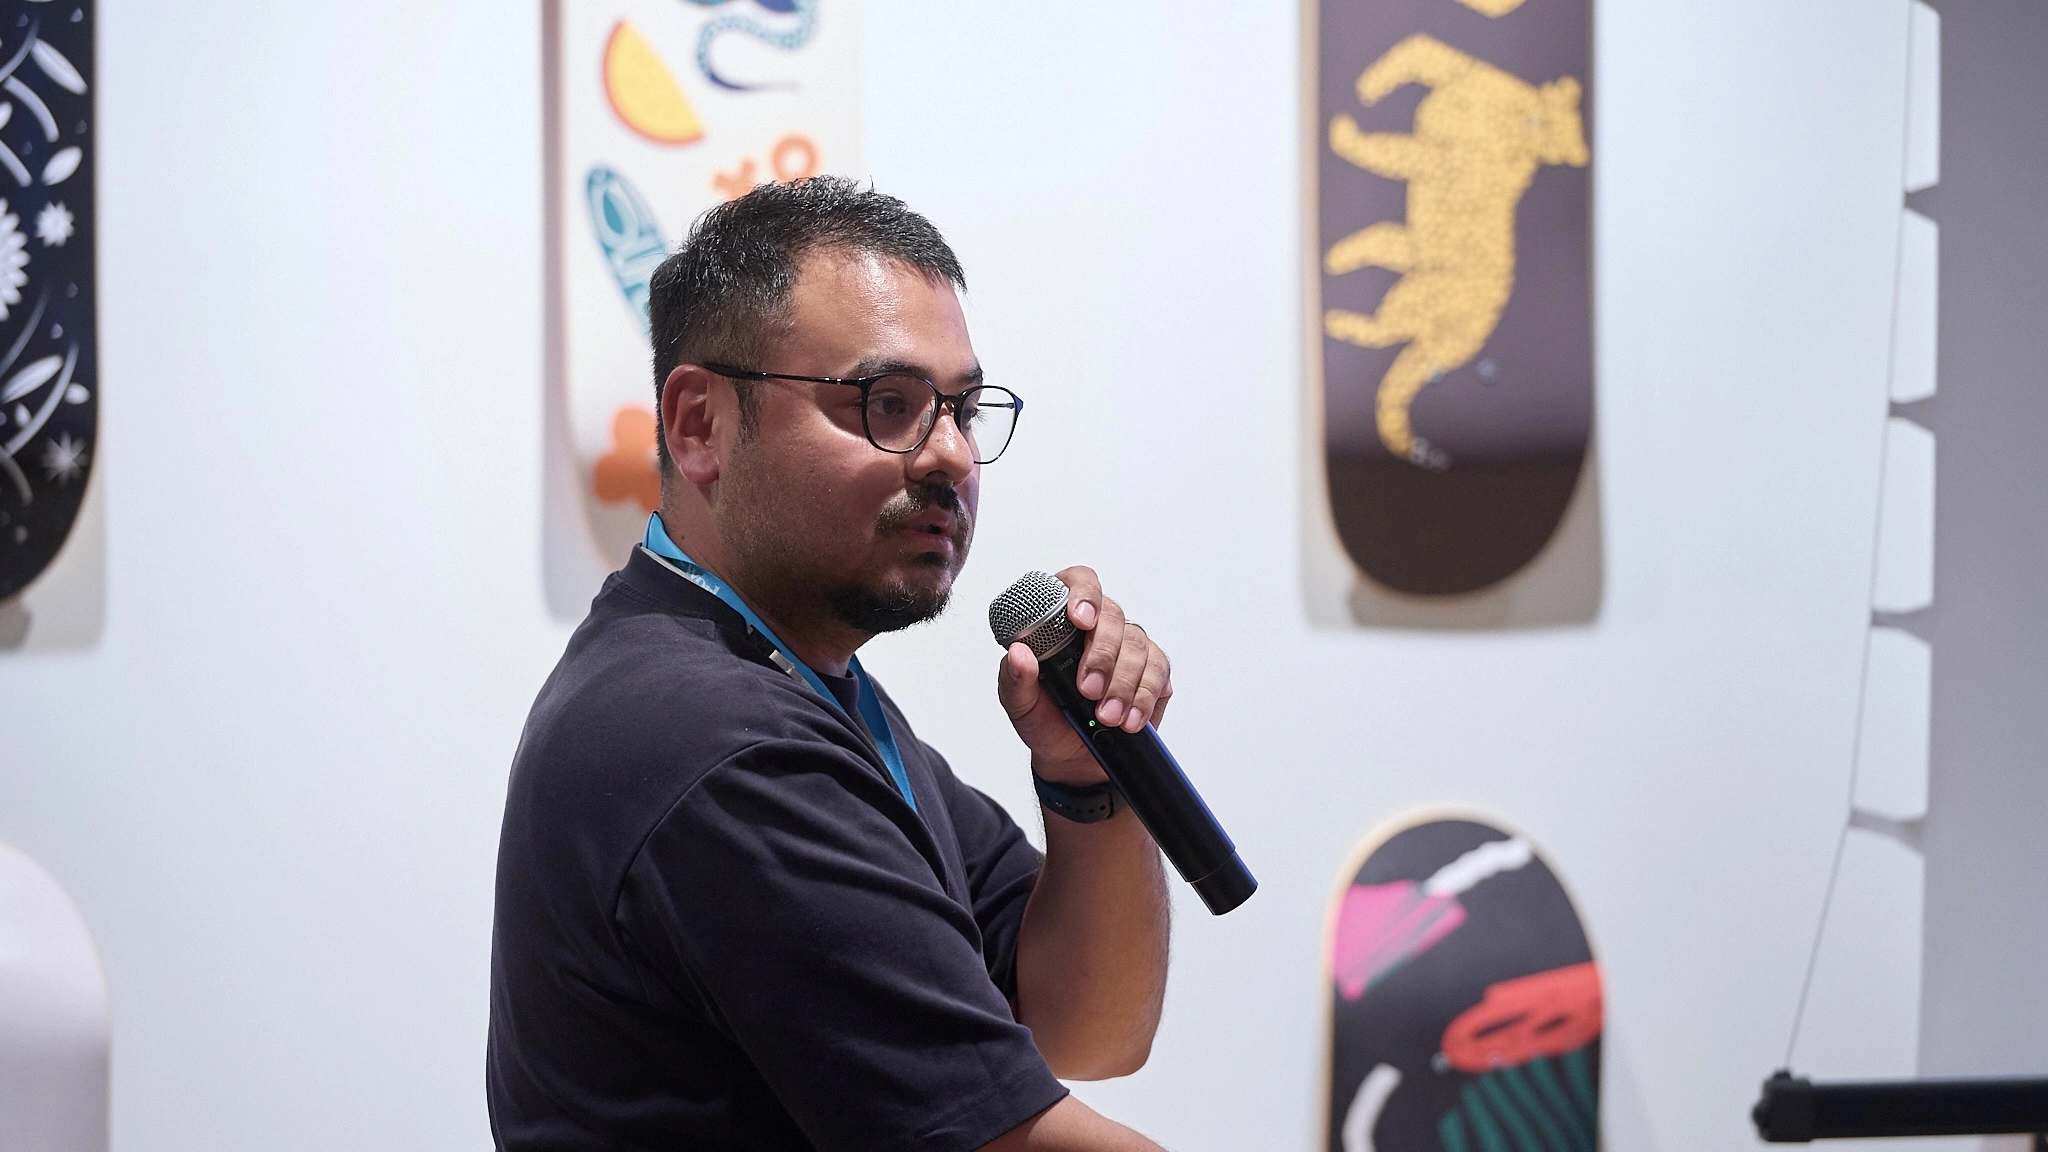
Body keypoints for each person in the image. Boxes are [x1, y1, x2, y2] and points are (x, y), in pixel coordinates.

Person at [488, 177, 1177, 1152]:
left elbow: (1089, 1030)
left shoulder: (806, 691)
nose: (950, 456)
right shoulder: (713, 741)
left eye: (963, 410)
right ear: (699, 426)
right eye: (888, 404)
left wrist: (1086, 778)